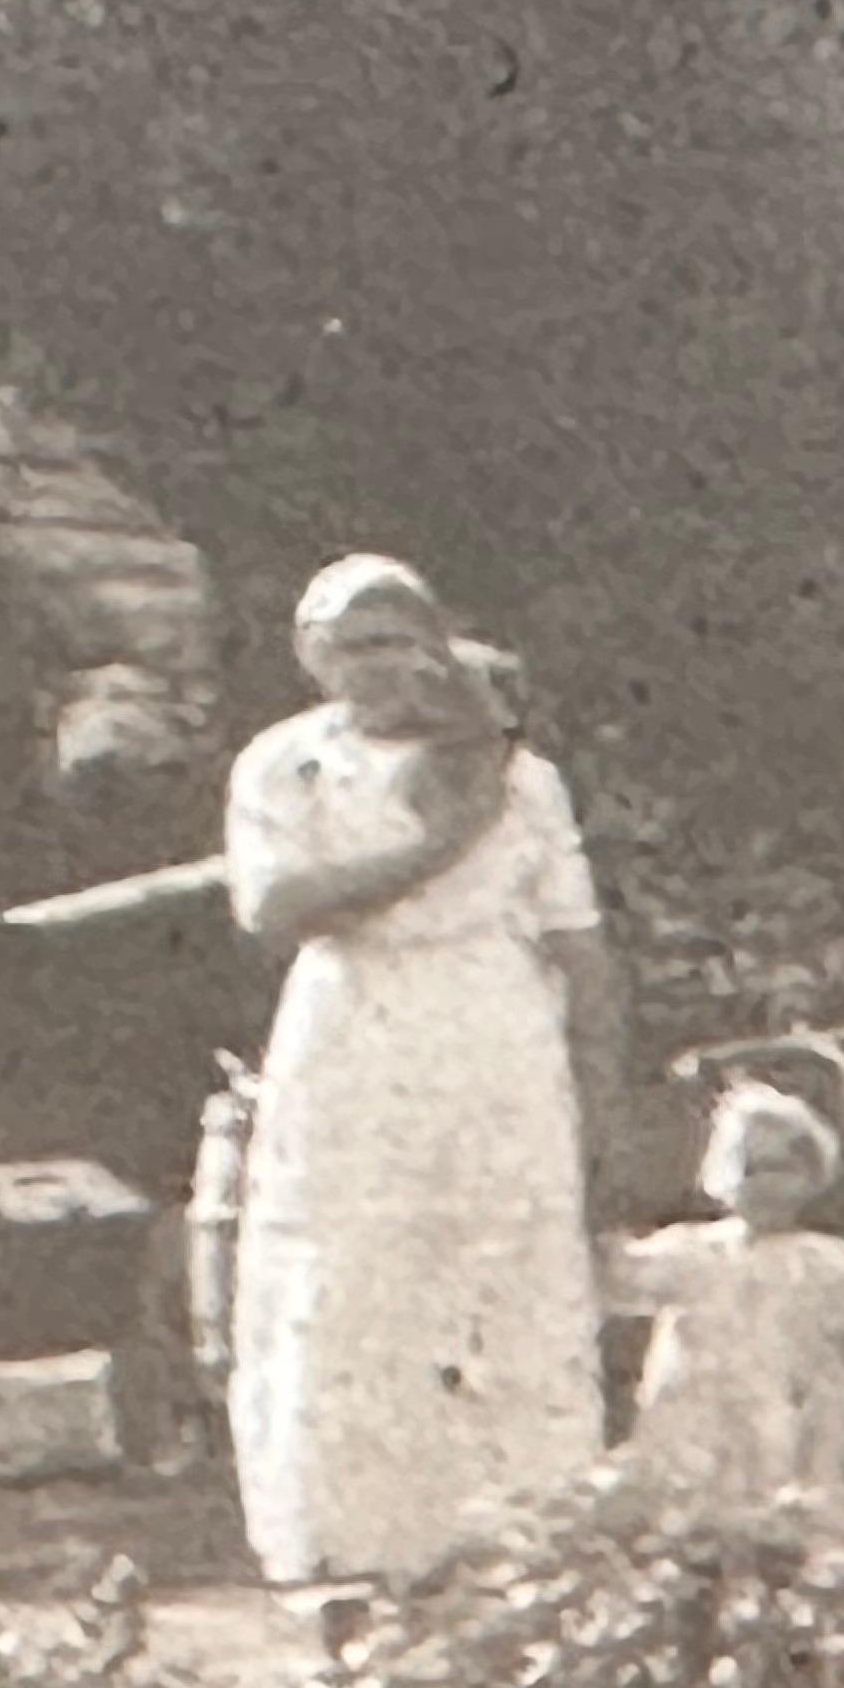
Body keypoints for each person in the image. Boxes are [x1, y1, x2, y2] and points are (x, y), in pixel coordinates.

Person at [223, 556, 625, 1587]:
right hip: (352, 1023)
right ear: (314, 658)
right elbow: (278, 909)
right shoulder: (284, 765)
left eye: (404, 640)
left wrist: (599, 1097)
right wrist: (441, 845)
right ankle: (353, 1539)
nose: (385, 666)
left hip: (489, 1027)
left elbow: (579, 945)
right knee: (352, 1272)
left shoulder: (521, 778)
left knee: (495, 1271)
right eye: (357, 645)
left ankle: (515, 1537)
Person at [599, 1078, 844, 1531]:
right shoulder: (693, 1251)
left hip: (782, 1414)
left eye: (782, 1167)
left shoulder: (818, 1259)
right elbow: (627, 1279)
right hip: (697, 1415)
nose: (764, 1183)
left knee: (781, 1512)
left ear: (812, 1175)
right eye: (751, 1167)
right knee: (689, 1515)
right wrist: (605, 1246)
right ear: (725, 1175)